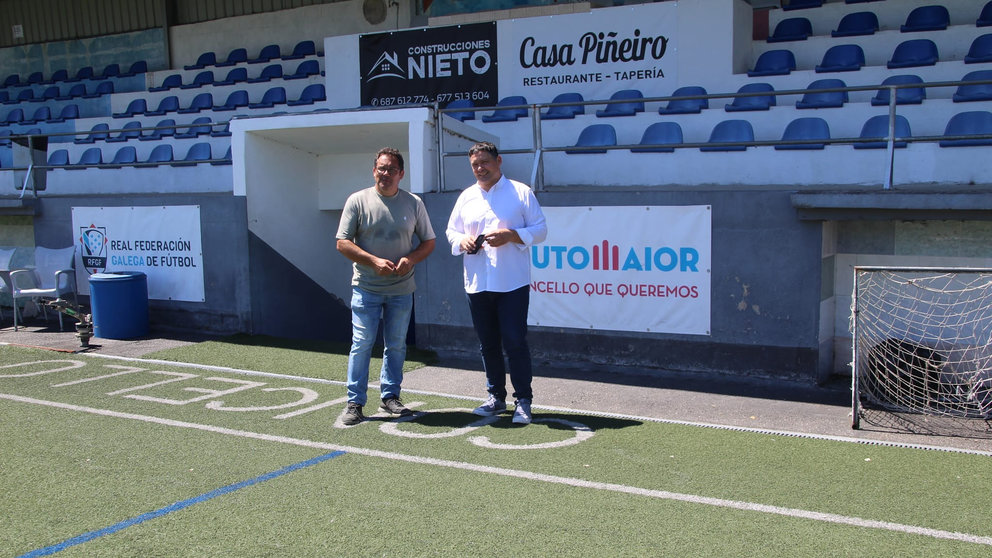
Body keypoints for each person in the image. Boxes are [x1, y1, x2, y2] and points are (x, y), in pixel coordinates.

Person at [445, 141, 548, 425]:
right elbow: (452, 232)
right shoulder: (466, 196)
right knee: (487, 344)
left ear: (499, 161)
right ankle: (495, 397)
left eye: (485, 163)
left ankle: (523, 401)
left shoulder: (521, 192)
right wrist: (462, 241)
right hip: (477, 282)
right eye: (475, 165)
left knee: (515, 342)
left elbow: (540, 230)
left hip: (512, 282)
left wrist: (511, 235)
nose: (480, 168)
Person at [336, 147, 436, 425]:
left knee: (396, 345)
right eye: (381, 168)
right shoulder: (357, 201)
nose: (386, 174)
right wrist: (372, 262)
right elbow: (342, 243)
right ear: (374, 170)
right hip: (366, 288)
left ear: (401, 174)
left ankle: (390, 397)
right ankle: (355, 402)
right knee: (362, 343)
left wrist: (410, 259)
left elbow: (429, 242)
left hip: (401, 290)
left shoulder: (414, 203)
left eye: (392, 169)